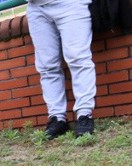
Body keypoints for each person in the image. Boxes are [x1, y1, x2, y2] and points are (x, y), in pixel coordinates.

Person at [27, 0, 97, 138]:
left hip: (69, 4)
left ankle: (84, 115)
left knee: (78, 58)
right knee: (47, 66)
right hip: (35, 7)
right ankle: (57, 118)